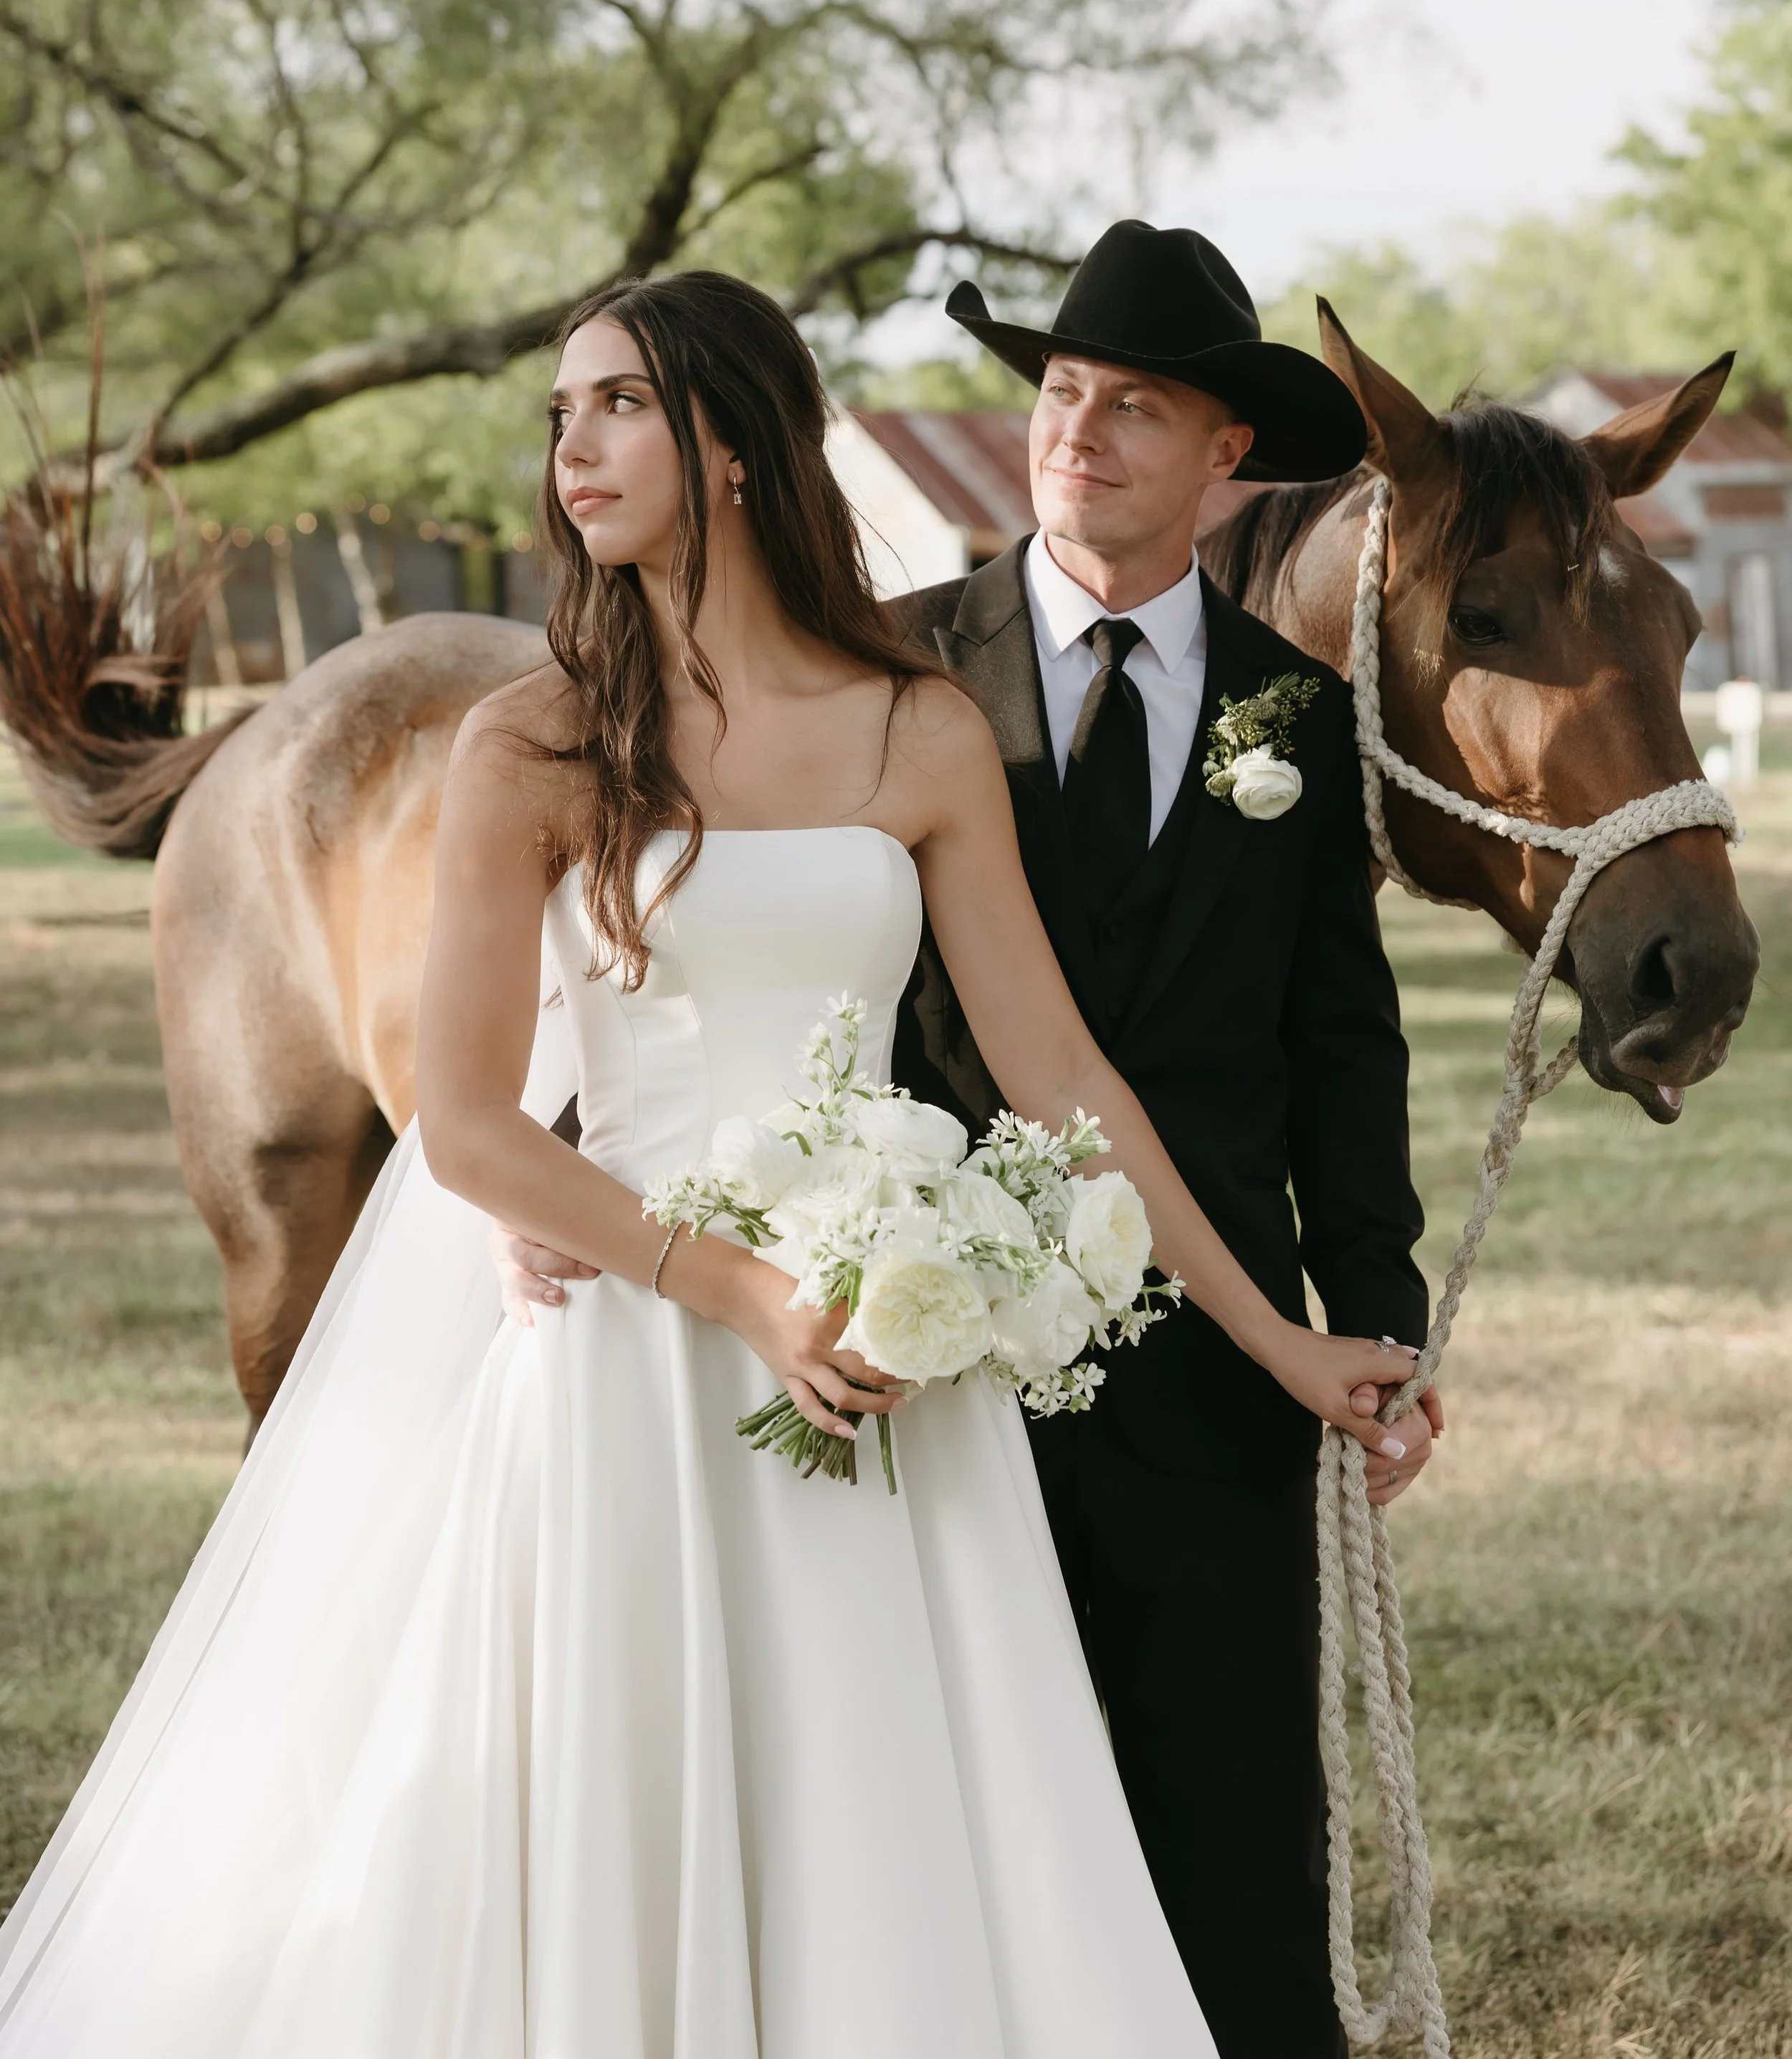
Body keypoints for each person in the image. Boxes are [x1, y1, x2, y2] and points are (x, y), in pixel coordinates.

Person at [0, 269, 1416, 2059]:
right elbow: (468, 1115)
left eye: (617, 404)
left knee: (882, 1836)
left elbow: (1064, 1081)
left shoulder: (915, 724)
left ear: (732, 444)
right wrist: (735, 1288)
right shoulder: (529, 739)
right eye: (561, 412)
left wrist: (1281, 1340)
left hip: (892, 1373)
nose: (571, 448)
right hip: (627, 1372)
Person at [899, 219, 1440, 2059]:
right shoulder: (895, 668)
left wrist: (1376, 1318)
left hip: (1219, 1358)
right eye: (1060, 390)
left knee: (1230, 1833)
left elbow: (1340, 1051)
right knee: (961, 1826)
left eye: (1133, 404)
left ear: (1227, 452)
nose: (1079, 429)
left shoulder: (1296, 714)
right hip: (938, 1352)